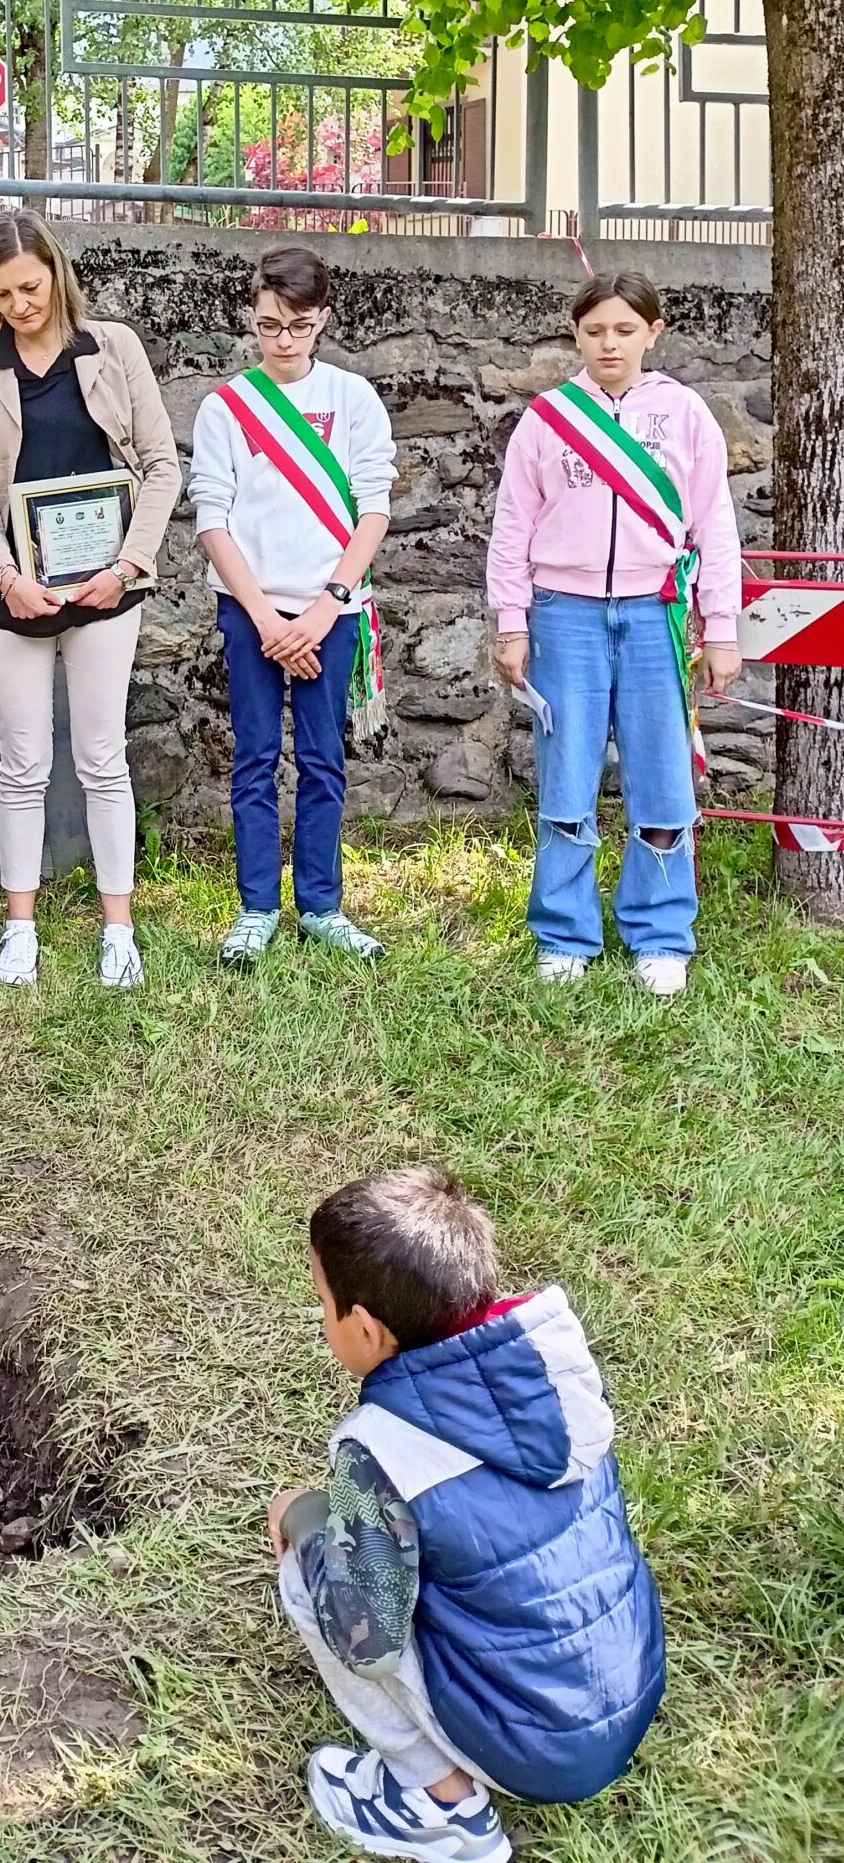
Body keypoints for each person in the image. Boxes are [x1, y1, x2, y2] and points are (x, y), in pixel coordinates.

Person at [269, 1165, 665, 1863]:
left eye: (322, 1303)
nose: (321, 1317)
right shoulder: (554, 1376)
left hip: (535, 1748)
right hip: (628, 1688)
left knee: (316, 1570)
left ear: (366, 1329)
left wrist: (301, 1519)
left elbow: (367, 1641)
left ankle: (441, 1807)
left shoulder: (385, 1447)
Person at [487, 269, 742, 995]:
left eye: (625, 330)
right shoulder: (547, 418)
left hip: (655, 613)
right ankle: (564, 932)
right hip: (563, 612)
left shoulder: (685, 413)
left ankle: (659, 934)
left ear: (653, 333)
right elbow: (512, 527)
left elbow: (714, 524)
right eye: (595, 330)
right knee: (567, 774)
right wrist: (512, 622)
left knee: (662, 776)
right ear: (575, 334)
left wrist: (722, 627)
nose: (610, 344)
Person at [0, 212, 181, 989]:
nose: (21, 305)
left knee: (102, 758)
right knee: (22, 764)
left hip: (107, 589)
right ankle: (20, 929)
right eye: (3, 294)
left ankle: (119, 931)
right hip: (12, 595)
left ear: (56, 272)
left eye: (32, 286)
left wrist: (128, 565)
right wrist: (2, 574)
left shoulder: (114, 347)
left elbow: (161, 465)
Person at [190, 244, 395, 965]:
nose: (283, 340)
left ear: (323, 320)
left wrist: (324, 606)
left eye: (299, 326)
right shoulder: (225, 407)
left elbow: (374, 509)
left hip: (331, 610)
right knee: (253, 757)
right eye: (270, 325)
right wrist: (266, 619)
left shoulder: (353, 398)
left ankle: (321, 904)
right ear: (251, 317)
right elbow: (212, 517)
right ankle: (256, 907)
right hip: (249, 609)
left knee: (322, 758)